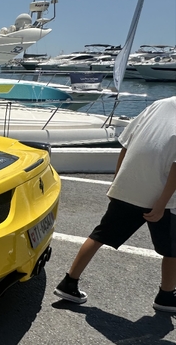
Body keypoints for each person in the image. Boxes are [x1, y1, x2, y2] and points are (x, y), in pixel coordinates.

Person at [54, 96, 176, 313]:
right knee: (173, 250)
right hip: (163, 198)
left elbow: (126, 145)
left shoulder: (158, 105)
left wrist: (116, 183)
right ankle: (166, 297)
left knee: (99, 235)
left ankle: (69, 283)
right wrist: (161, 204)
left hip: (129, 186)